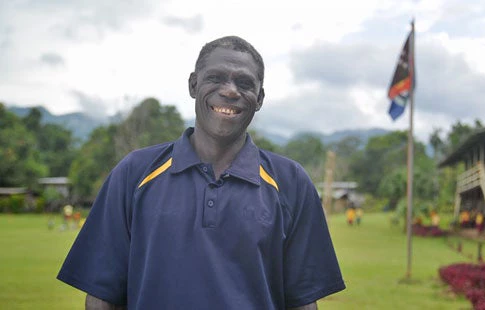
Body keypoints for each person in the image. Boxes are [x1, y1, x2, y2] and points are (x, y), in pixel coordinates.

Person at [57, 36, 345, 309]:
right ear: (194, 85)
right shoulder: (134, 173)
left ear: (259, 98)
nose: (230, 90)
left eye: (244, 83)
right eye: (216, 78)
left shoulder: (292, 182)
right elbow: (102, 297)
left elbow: (303, 302)